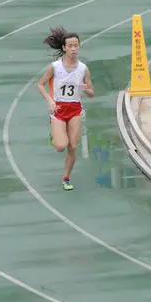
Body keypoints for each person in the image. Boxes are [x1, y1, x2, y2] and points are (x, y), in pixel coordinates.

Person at [37, 26, 94, 191]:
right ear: (64, 48)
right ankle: (54, 137)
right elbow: (40, 85)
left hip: (75, 109)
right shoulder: (55, 67)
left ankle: (66, 178)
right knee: (61, 146)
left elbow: (91, 93)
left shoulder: (83, 69)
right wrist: (49, 100)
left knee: (73, 146)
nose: (74, 49)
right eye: (70, 46)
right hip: (59, 109)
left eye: (76, 45)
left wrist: (85, 88)